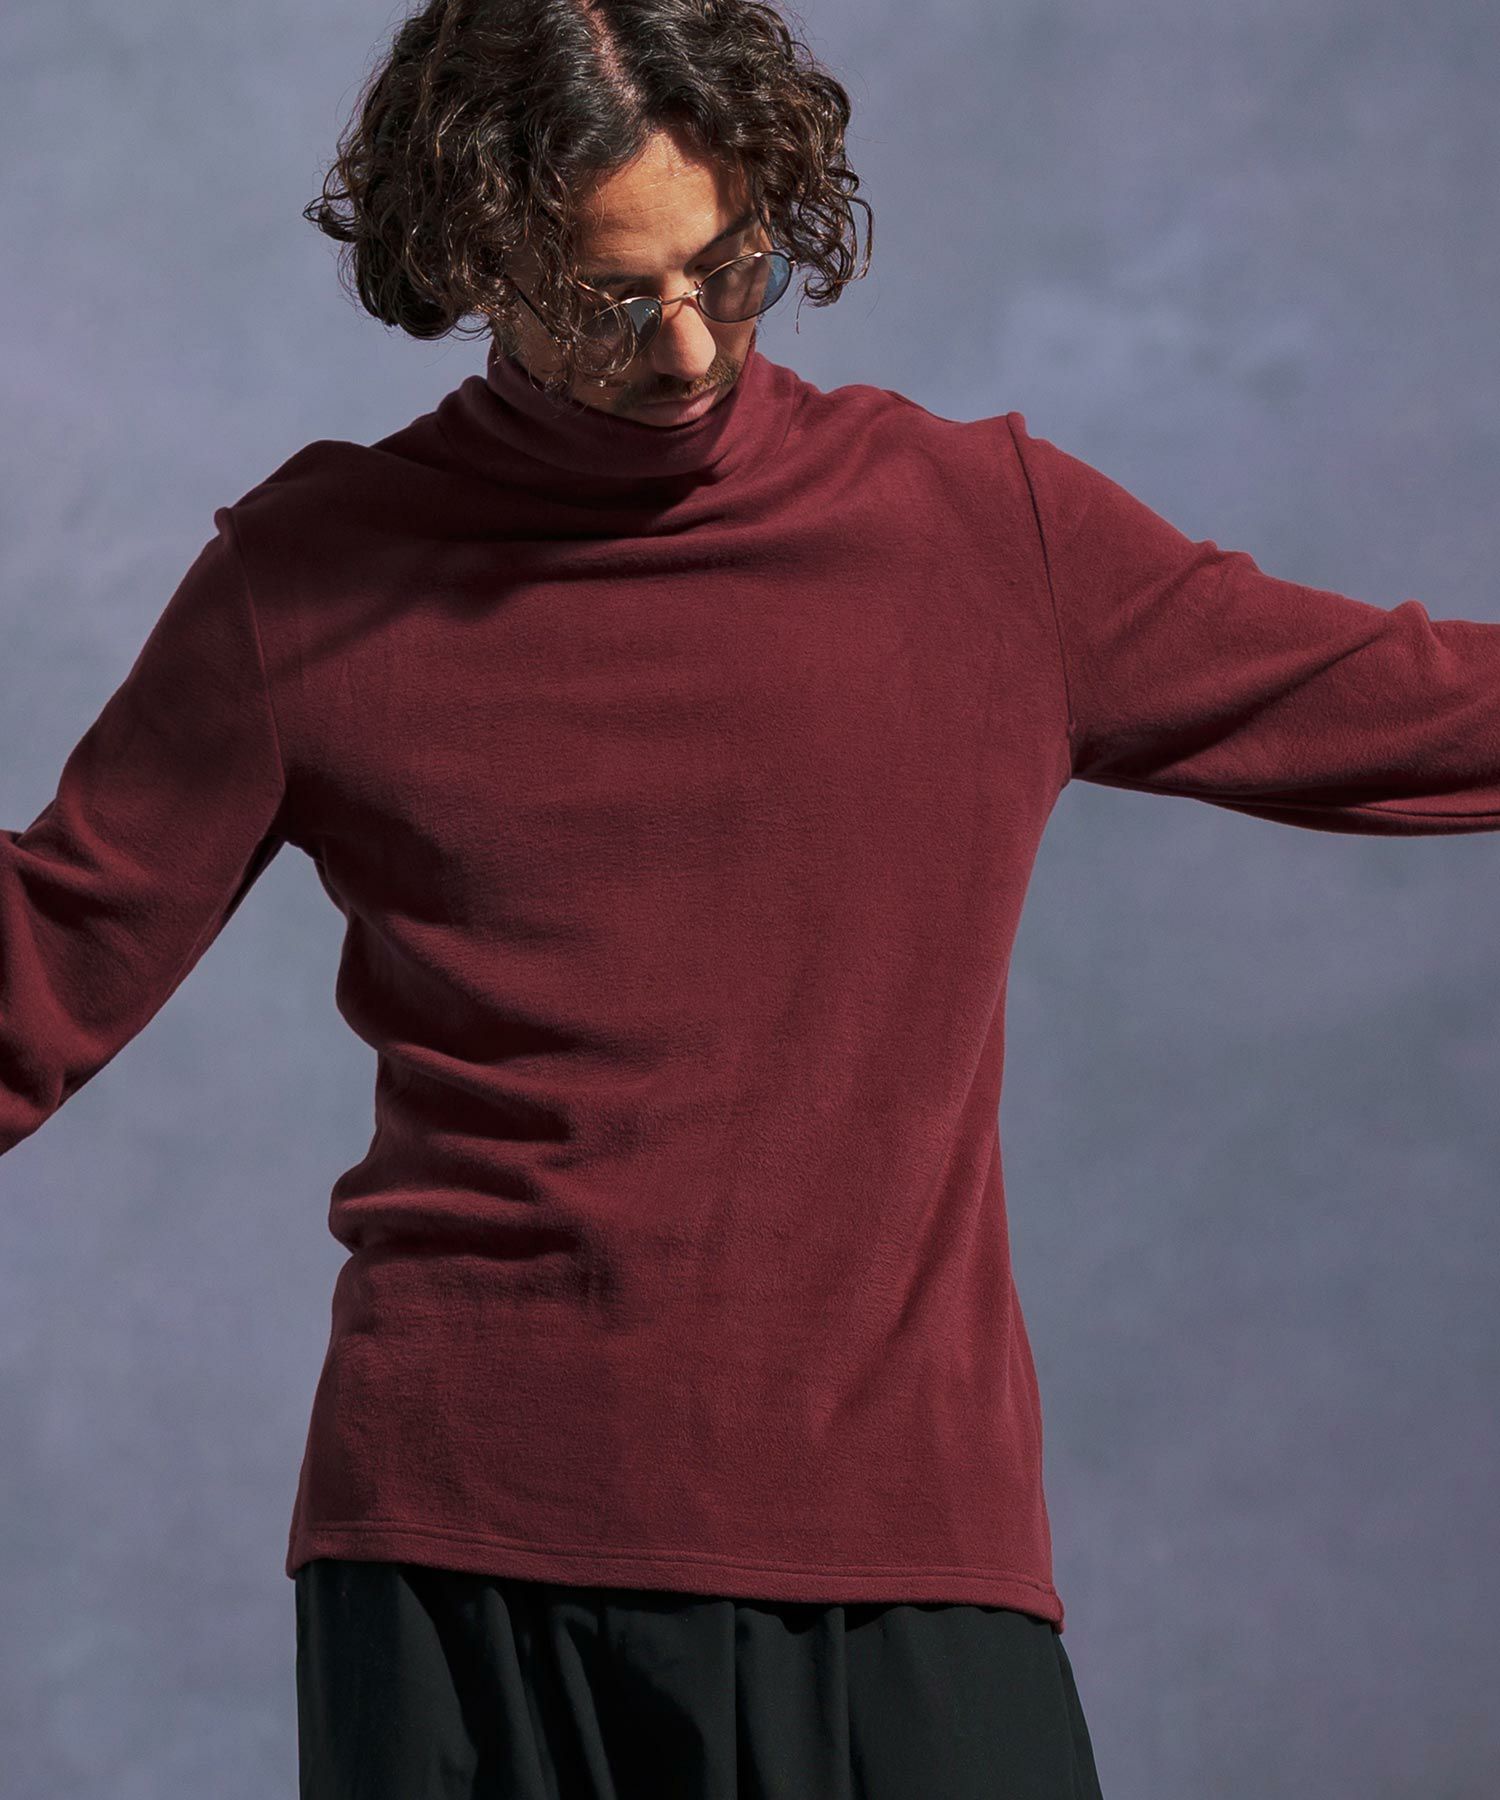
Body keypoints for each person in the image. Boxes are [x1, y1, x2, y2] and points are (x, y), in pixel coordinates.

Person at [7, 2, 1500, 1795]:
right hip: (462, 1550)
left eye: (731, 268)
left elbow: (1409, 703)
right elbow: (44, 959)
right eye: (608, 298)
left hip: (896, 1544)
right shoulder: (307, 576)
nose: (690, 345)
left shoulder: (981, 532)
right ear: (473, 263)